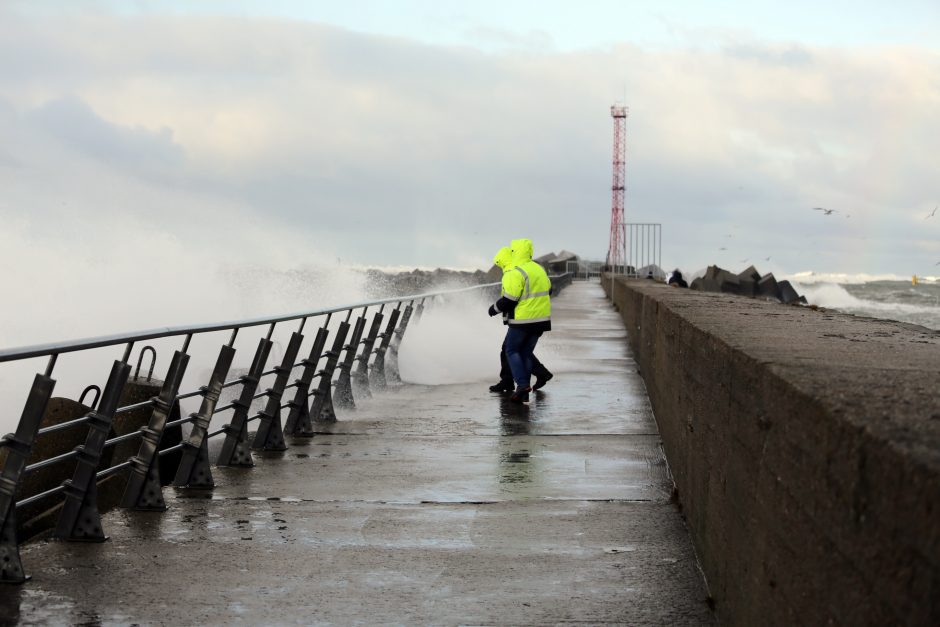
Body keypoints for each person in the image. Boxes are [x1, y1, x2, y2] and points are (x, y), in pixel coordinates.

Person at [488, 238, 552, 403]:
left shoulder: (517, 272)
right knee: (524, 352)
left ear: (515, 252)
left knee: (511, 350)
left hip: (524, 319)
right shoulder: (539, 268)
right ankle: (523, 388)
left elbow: (510, 298)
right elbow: (549, 289)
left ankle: (522, 385)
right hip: (542, 318)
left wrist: (493, 309)